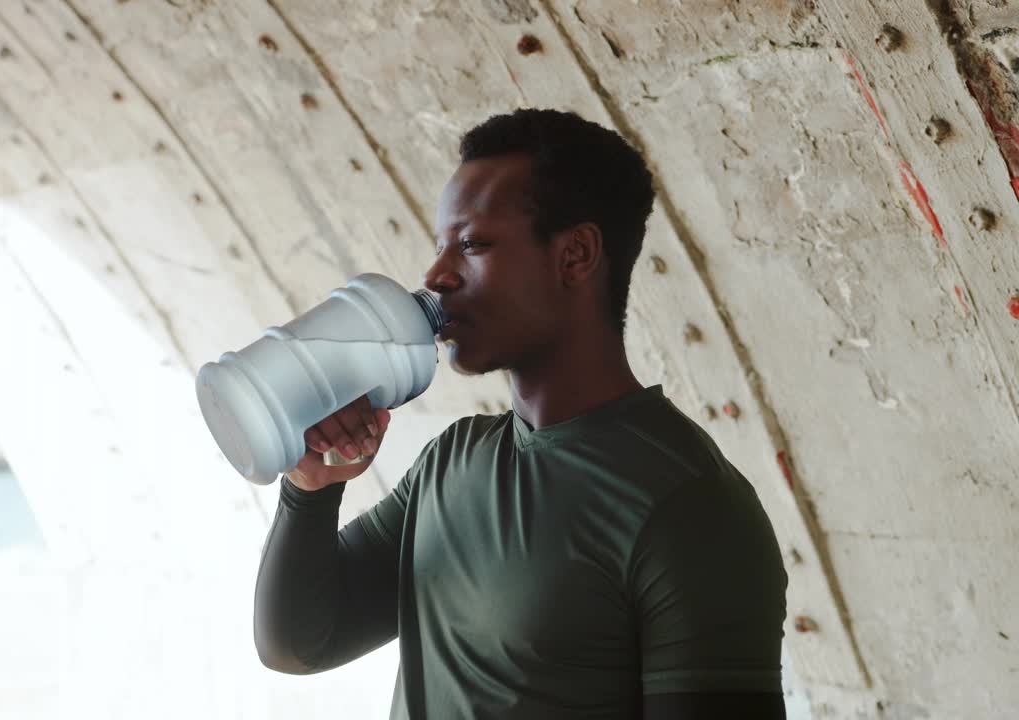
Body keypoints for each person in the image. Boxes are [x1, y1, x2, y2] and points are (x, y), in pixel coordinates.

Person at [253, 108, 788, 719]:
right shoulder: (452, 462)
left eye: (473, 244)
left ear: (575, 255)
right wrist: (309, 490)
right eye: (440, 247)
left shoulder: (691, 506)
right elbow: (298, 644)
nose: (436, 276)